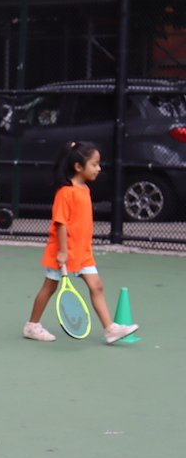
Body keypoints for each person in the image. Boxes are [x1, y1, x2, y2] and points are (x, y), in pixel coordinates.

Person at [22, 141, 139, 344]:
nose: (98, 168)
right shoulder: (65, 193)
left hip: (83, 253)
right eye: (94, 164)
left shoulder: (84, 189)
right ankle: (32, 325)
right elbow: (60, 224)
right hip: (63, 252)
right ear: (78, 167)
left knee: (97, 286)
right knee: (50, 288)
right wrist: (63, 252)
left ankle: (110, 329)